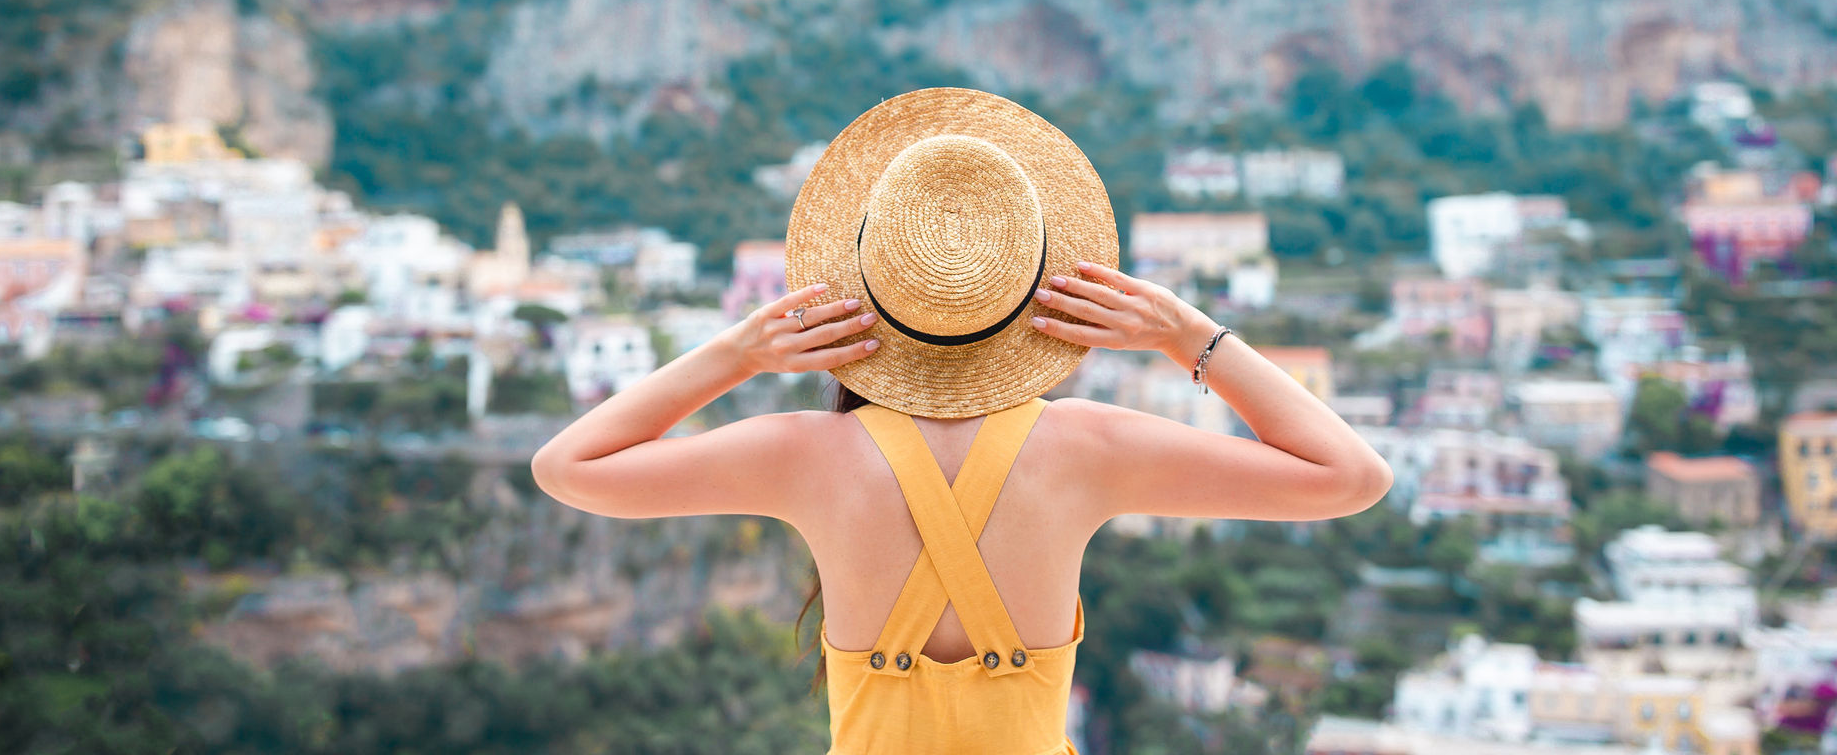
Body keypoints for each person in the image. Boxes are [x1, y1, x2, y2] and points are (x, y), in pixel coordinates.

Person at [532, 88, 1392, 755]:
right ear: (1031, 296)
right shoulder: (1090, 449)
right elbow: (1352, 479)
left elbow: (568, 467)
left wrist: (740, 354)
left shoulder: (805, 455)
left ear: (862, 292)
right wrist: (1185, 333)